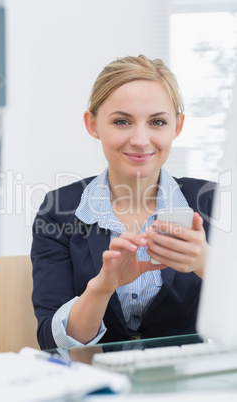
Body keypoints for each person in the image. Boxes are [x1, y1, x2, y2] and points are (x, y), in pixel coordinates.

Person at [31, 55, 215, 350]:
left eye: (157, 122)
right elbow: (54, 340)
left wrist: (207, 263)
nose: (141, 140)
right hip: (97, 383)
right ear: (93, 125)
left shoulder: (213, 202)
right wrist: (102, 288)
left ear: (177, 127)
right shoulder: (57, 210)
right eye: (121, 121)